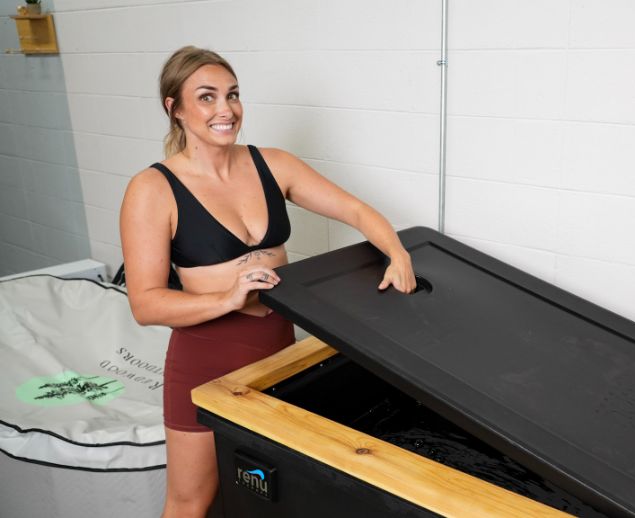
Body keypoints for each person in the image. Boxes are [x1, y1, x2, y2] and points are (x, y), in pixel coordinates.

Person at [119, 46, 416, 518]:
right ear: (173, 108)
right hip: (205, 362)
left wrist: (397, 254)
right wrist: (228, 297)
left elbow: (358, 210)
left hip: (280, 351)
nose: (226, 109)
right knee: (191, 502)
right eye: (207, 97)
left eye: (233, 95)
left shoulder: (273, 165)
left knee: (276, 495)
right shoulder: (152, 189)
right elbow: (146, 304)